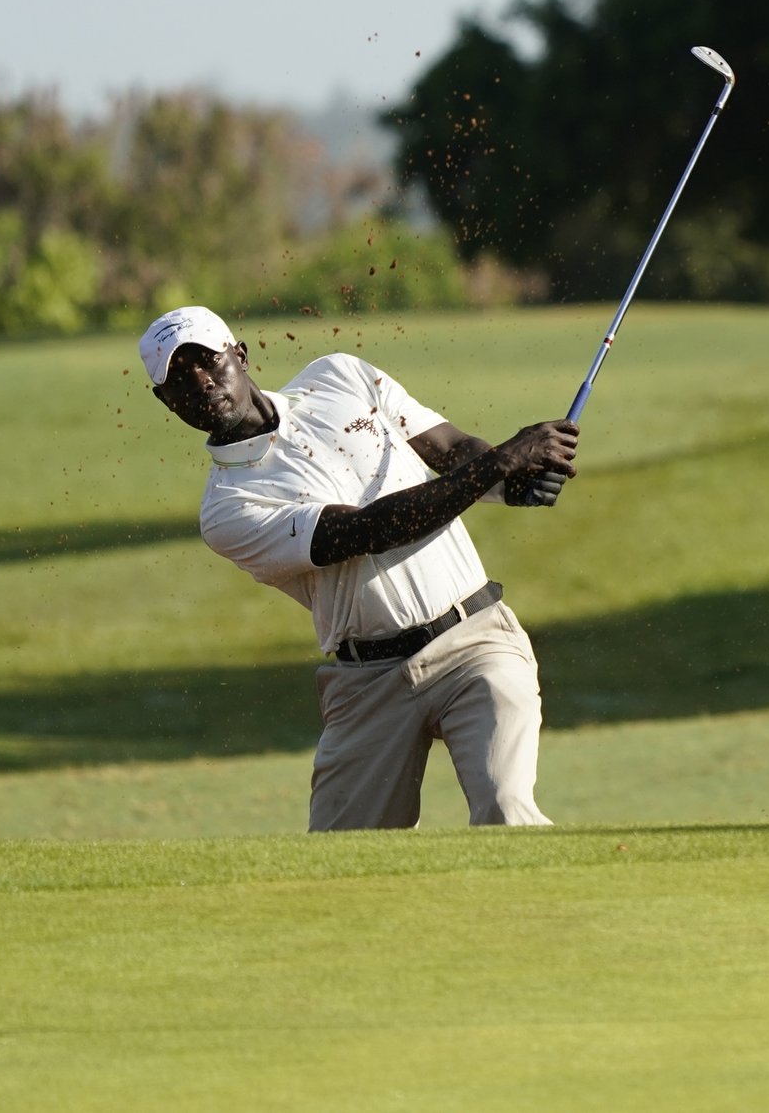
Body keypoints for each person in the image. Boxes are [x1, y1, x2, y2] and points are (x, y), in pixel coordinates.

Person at [139, 305, 579, 830]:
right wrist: (502, 462)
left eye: (208, 361)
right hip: (368, 683)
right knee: (339, 864)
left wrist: (514, 483)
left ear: (240, 354)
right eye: (178, 380)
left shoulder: (338, 376)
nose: (201, 383)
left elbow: (452, 450)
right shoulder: (228, 507)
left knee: (507, 811)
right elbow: (367, 531)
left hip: (476, 643)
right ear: (166, 402)